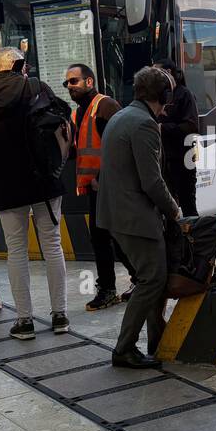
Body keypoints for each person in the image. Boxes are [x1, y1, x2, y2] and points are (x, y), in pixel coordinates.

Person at [0, 48, 69, 341]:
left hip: (6, 182)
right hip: (44, 179)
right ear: (19, 66)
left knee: (17, 250)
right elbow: (62, 120)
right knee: (52, 244)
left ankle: (24, 320)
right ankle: (59, 316)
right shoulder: (36, 87)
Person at [98, 67, 183, 368]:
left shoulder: (119, 117)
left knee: (149, 278)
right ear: (163, 95)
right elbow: (152, 182)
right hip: (134, 217)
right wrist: (174, 210)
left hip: (114, 213)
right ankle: (124, 348)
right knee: (152, 279)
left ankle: (157, 341)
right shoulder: (145, 124)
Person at [65, 62, 134, 311]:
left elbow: (120, 146)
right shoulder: (77, 114)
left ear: (89, 82)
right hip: (96, 188)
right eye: (67, 83)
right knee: (103, 237)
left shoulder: (104, 106)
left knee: (111, 236)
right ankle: (127, 282)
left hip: (110, 186)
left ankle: (118, 286)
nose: (69, 86)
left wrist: (102, 177)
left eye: (74, 81)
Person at [153, 58, 199, 216]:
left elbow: (192, 126)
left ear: (168, 73)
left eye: (156, 72)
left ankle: (194, 239)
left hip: (183, 158)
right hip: (164, 160)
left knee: (188, 206)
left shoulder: (184, 94)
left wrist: (163, 128)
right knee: (168, 208)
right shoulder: (159, 96)